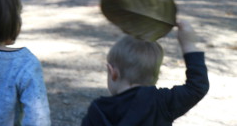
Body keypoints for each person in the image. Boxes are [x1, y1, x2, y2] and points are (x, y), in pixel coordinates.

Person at [81, 21, 209, 126]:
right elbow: (197, 87)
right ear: (156, 75)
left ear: (112, 72)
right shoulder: (163, 102)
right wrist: (188, 44)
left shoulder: (99, 110)